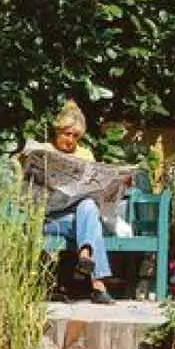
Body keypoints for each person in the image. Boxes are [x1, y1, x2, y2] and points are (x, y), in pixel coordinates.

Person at [41, 100, 116, 304]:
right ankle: (98, 286)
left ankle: (85, 255)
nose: (71, 140)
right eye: (67, 134)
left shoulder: (84, 154)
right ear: (57, 131)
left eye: (75, 136)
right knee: (91, 224)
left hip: (78, 218)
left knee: (89, 206)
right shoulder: (45, 151)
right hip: (51, 219)